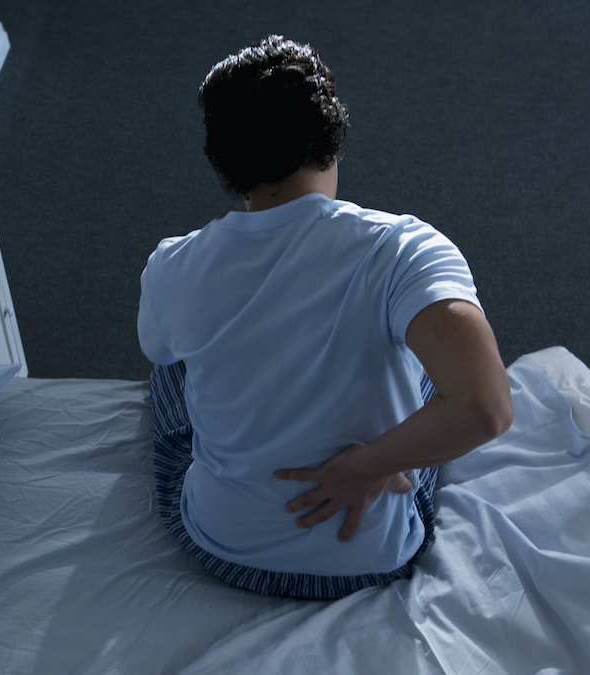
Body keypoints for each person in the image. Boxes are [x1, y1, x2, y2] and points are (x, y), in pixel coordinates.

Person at [138, 35, 513, 601]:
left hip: (221, 546)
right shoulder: (403, 249)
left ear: (223, 161)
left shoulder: (173, 265)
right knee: (433, 363)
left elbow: (160, 351)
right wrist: (365, 466)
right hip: (372, 556)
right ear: (333, 138)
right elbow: (486, 408)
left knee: (169, 366)